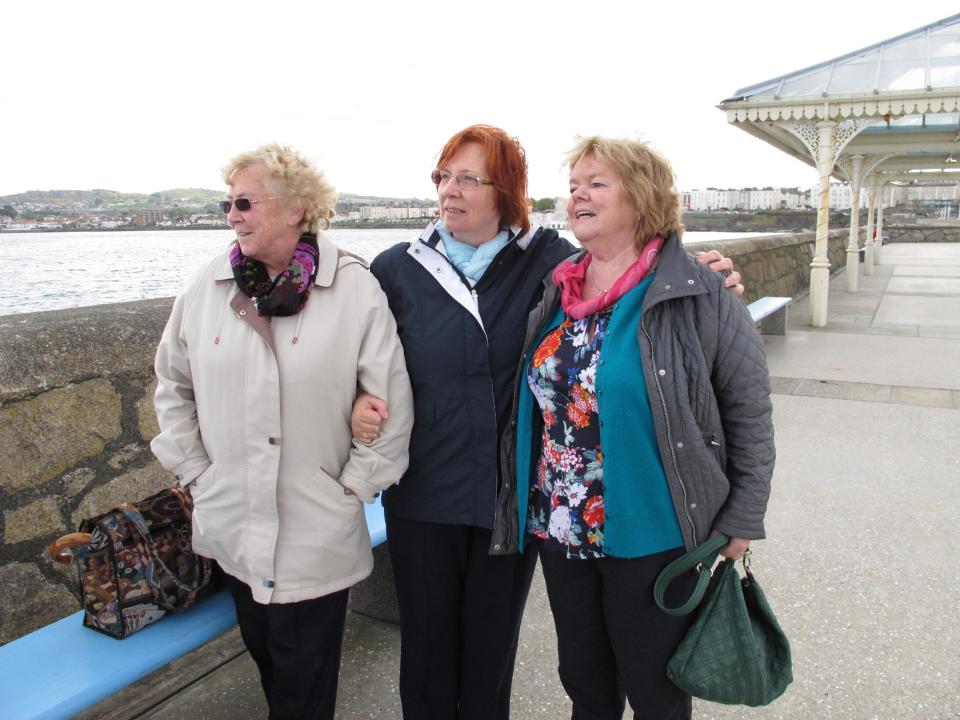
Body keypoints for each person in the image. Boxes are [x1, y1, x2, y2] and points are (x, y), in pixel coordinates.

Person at [350, 125, 745, 719]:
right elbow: (357, 353)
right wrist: (359, 397)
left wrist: (714, 275)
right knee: (432, 652)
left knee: (495, 651)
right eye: (442, 176)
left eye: (467, 178)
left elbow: (651, 279)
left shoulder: (552, 263)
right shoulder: (395, 269)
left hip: (512, 497)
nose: (448, 190)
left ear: (505, 189)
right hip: (434, 491)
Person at [492, 135, 775, 719]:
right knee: (586, 683)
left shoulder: (699, 290)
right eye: (573, 187)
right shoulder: (558, 288)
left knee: (655, 689)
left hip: (655, 528)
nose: (577, 197)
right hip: (563, 524)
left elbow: (748, 411)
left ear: (641, 199)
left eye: (596, 184)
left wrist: (745, 514)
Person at [150, 143, 413, 720]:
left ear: (296, 208)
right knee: (269, 658)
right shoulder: (207, 287)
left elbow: (392, 399)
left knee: (306, 680)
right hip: (234, 522)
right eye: (227, 203)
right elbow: (172, 386)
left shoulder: (353, 288)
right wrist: (197, 473)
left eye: (244, 202)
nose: (232, 215)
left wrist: (352, 489)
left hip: (313, 526)